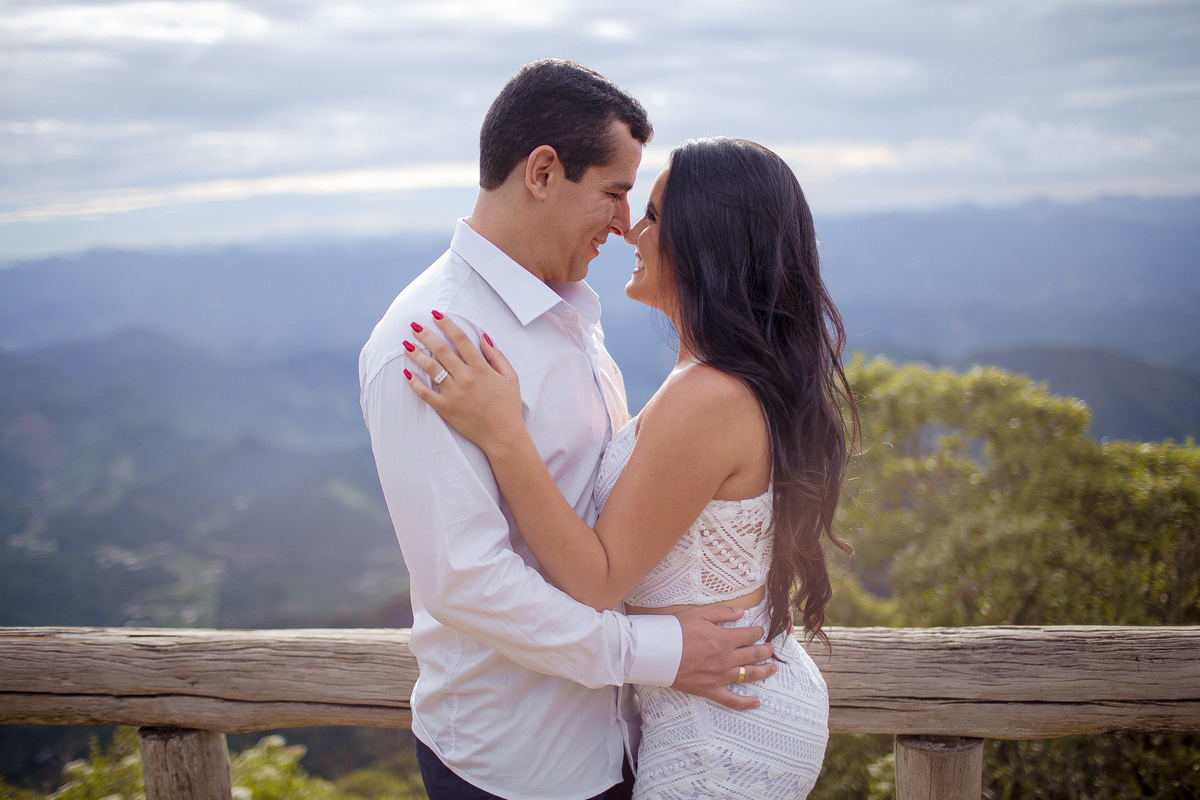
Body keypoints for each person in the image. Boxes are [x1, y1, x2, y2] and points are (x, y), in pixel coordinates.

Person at [359, 61, 777, 800]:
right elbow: (468, 582)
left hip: (631, 741)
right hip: (519, 764)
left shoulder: (567, 310)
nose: (625, 224)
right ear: (544, 172)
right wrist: (656, 652)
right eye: (615, 193)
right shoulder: (432, 341)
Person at [403, 136, 859, 799]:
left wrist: (503, 435)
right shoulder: (718, 378)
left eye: (650, 215)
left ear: (704, 241)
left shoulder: (708, 395)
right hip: (725, 704)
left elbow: (597, 579)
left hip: (720, 732)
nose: (630, 232)